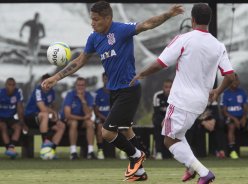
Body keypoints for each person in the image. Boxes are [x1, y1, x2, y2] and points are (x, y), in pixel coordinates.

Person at [41, 1, 184, 181]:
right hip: (114, 92)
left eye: (96, 19)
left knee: (107, 132)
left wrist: (168, 14)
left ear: (108, 18)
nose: (92, 23)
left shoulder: (122, 30)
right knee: (126, 130)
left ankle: (136, 155)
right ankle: (139, 172)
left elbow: (147, 24)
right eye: (91, 19)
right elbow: (80, 60)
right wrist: (56, 77)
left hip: (129, 90)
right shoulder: (94, 38)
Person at [130, 3, 235, 183]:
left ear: (192, 19)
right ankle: (190, 168)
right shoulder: (218, 45)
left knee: (169, 141)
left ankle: (203, 172)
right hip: (200, 102)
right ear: (208, 20)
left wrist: (141, 74)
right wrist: (217, 91)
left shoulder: (184, 38)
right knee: (177, 135)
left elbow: (160, 63)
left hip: (181, 100)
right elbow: (230, 76)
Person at [221, 73, 248, 160]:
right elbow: (224, 111)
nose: (236, 82)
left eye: (237, 80)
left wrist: (244, 118)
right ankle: (233, 151)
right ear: (229, 82)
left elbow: (246, 109)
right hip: (231, 117)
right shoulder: (225, 94)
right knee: (231, 126)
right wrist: (234, 119)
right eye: (233, 80)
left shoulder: (242, 92)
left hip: (241, 116)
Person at [24, 74, 65, 157]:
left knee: (61, 126)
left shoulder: (52, 92)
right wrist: (53, 112)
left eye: (49, 82)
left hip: (42, 119)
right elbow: (42, 108)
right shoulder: (38, 90)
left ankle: (50, 151)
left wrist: (55, 116)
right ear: (41, 82)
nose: (47, 84)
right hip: (30, 118)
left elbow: (52, 106)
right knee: (45, 114)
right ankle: (45, 141)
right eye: (45, 82)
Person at [60, 77, 96, 160]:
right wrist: (83, 117)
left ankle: (90, 152)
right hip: (70, 120)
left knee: (90, 123)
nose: (80, 87)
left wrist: (82, 100)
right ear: (75, 86)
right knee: (74, 123)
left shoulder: (88, 95)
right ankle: (73, 152)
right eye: (78, 85)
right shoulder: (70, 95)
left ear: (85, 86)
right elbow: (67, 114)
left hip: (83, 120)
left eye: (82, 85)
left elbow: (89, 113)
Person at [0, 78, 27, 158]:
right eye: (9, 84)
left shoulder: (18, 92)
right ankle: (9, 149)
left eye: (13, 85)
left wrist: (22, 122)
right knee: (3, 127)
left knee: (18, 127)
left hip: (10, 118)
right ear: (6, 85)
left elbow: (20, 108)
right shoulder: (1, 93)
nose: (12, 87)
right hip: (1, 117)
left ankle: (11, 148)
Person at [152, 79, 173, 160]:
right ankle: (158, 152)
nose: (168, 89)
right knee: (158, 125)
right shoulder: (157, 96)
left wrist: (167, 120)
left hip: (171, 120)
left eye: (170, 87)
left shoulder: (176, 96)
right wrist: (164, 120)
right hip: (159, 120)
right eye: (166, 87)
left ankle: (173, 152)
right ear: (163, 88)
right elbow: (156, 112)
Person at [93, 72, 109, 160]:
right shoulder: (98, 93)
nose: (107, 81)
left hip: (112, 119)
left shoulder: (115, 92)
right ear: (102, 80)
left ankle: (123, 151)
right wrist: (106, 119)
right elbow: (96, 111)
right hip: (102, 119)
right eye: (105, 79)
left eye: (108, 79)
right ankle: (100, 150)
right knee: (99, 126)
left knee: (122, 126)